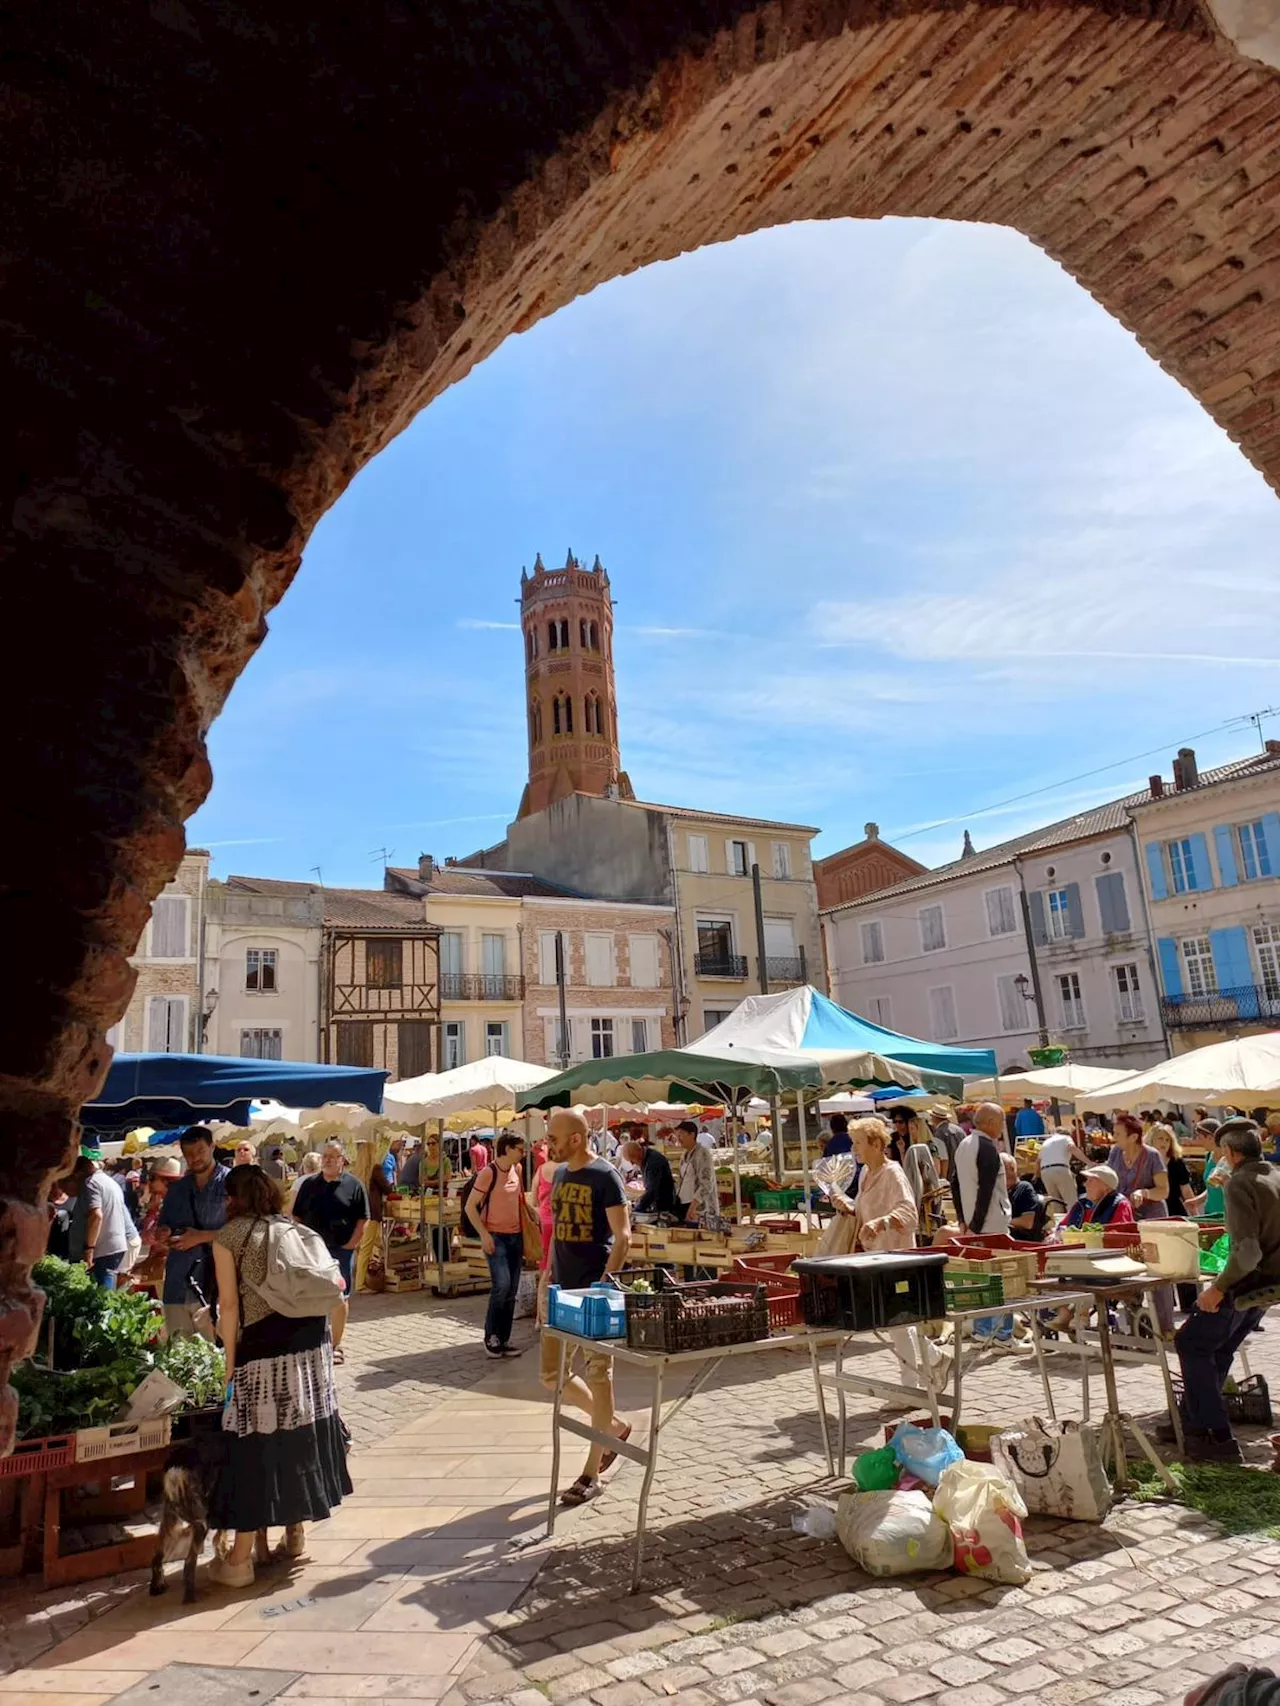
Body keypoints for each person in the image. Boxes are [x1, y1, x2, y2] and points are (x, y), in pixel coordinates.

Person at [209, 1164, 351, 1586]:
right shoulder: (290, 1228)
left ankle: (238, 1561)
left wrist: (229, 1364)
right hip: (310, 1341)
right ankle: (295, 1532)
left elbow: (230, 1308)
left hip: (265, 1345)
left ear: (233, 1198)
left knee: (257, 1443)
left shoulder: (229, 1236)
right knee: (299, 1432)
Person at [1164, 1120, 1280, 1462]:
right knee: (1218, 1346)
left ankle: (1215, 1436)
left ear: (1229, 1152)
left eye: (1220, 1151)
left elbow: (1247, 1252)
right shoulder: (1273, 1174)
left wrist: (1217, 1287)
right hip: (1269, 1284)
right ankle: (1192, 1420)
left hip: (1247, 1285)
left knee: (1191, 1343)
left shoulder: (1241, 1183)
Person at [539, 1109, 631, 1505]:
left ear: (576, 1138)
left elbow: (623, 1235)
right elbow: (558, 1231)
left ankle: (591, 1471)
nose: (548, 1144)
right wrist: (546, 1273)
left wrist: (605, 1282)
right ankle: (611, 1426)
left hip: (594, 1291)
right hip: (561, 1289)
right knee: (550, 1376)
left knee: (598, 1375)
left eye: (554, 1138)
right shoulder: (558, 1174)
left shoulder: (605, 1176)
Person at [293, 1140, 369, 1360]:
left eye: (332, 1156)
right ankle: (313, 1342)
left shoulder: (354, 1185)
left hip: (340, 1251)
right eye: (324, 1156)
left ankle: (336, 1345)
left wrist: (350, 1245)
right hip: (311, 1252)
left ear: (342, 1160)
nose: (326, 1160)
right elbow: (296, 1216)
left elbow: (363, 1219)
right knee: (311, 1296)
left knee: (339, 1297)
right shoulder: (309, 1185)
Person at [156, 1126, 228, 1336]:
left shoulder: (232, 1184)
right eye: (189, 1154)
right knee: (179, 1351)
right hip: (178, 1281)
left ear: (212, 1147)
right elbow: (164, 1225)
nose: (194, 1158)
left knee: (214, 1351)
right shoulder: (177, 1189)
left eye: (200, 1151)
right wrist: (164, 1233)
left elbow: (245, 1231)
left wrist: (200, 1237)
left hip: (216, 1283)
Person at [952, 1104, 1014, 1346]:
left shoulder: (963, 1145)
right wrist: (975, 1224)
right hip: (991, 1224)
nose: (1002, 1127)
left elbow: (954, 1184)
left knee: (980, 1279)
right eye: (1000, 1121)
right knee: (1002, 1278)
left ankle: (982, 1331)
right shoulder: (988, 1148)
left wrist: (962, 1219)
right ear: (988, 1122)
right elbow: (986, 1190)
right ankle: (1003, 1335)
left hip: (972, 1222)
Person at [467, 1133, 530, 1358]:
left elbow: (520, 1201)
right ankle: (490, 1337)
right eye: (521, 1149)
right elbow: (469, 1207)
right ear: (508, 1149)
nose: (524, 1153)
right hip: (495, 1236)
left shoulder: (518, 1170)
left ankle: (503, 1339)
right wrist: (484, 1235)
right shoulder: (488, 1173)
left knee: (512, 1290)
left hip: (516, 1236)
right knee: (501, 1285)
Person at [66, 1155, 132, 1287]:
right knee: (105, 1293)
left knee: (100, 1297)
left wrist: (88, 1251)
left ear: (77, 1175)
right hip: (114, 1248)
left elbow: (96, 1215)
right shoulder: (109, 1181)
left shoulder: (90, 1183)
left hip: (101, 1252)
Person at [356, 1135, 405, 1293]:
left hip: (360, 1213)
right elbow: (387, 1188)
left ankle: (367, 1276)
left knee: (370, 1244)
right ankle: (360, 1284)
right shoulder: (375, 1169)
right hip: (372, 1212)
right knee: (367, 1247)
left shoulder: (358, 1170)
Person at [1058, 1163, 1136, 1231]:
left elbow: (1119, 1235)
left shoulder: (1119, 1205)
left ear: (1106, 1186)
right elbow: (1062, 1227)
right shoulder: (1080, 1205)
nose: (1085, 1184)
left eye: (1091, 1181)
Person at [674, 1120, 719, 1228]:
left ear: (692, 1134)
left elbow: (707, 1183)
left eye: (681, 1135)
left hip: (699, 1208)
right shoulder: (684, 1154)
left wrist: (694, 1205)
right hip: (685, 1203)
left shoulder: (702, 1153)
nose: (679, 1138)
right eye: (677, 1135)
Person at [622, 1136, 677, 1216]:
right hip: (657, 1203)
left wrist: (638, 1209)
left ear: (639, 1151)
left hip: (664, 1205)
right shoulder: (645, 1158)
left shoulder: (653, 1162)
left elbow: (652, 1191)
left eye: (632, 1159)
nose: (632, 1164)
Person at [1037, 1127, 1086, 1218]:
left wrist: (1037, 1175)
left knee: (1056, 1203)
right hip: (1060, 1168)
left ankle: (1060, 1226)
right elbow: (1072, 1148)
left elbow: (1038, 1161)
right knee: (1071, 1201)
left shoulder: (1046, 1142)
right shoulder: (1066, 1138)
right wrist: (1088, 1162)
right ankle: (1075, 1224)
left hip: (1045, 1171)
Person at [1004, 1153, 1046, 1242]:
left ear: (1012, 1168)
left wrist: (1000, 1222)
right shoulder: (1002, 1192)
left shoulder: (1024, 1188)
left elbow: (1027, 1222)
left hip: (1021, 1241)